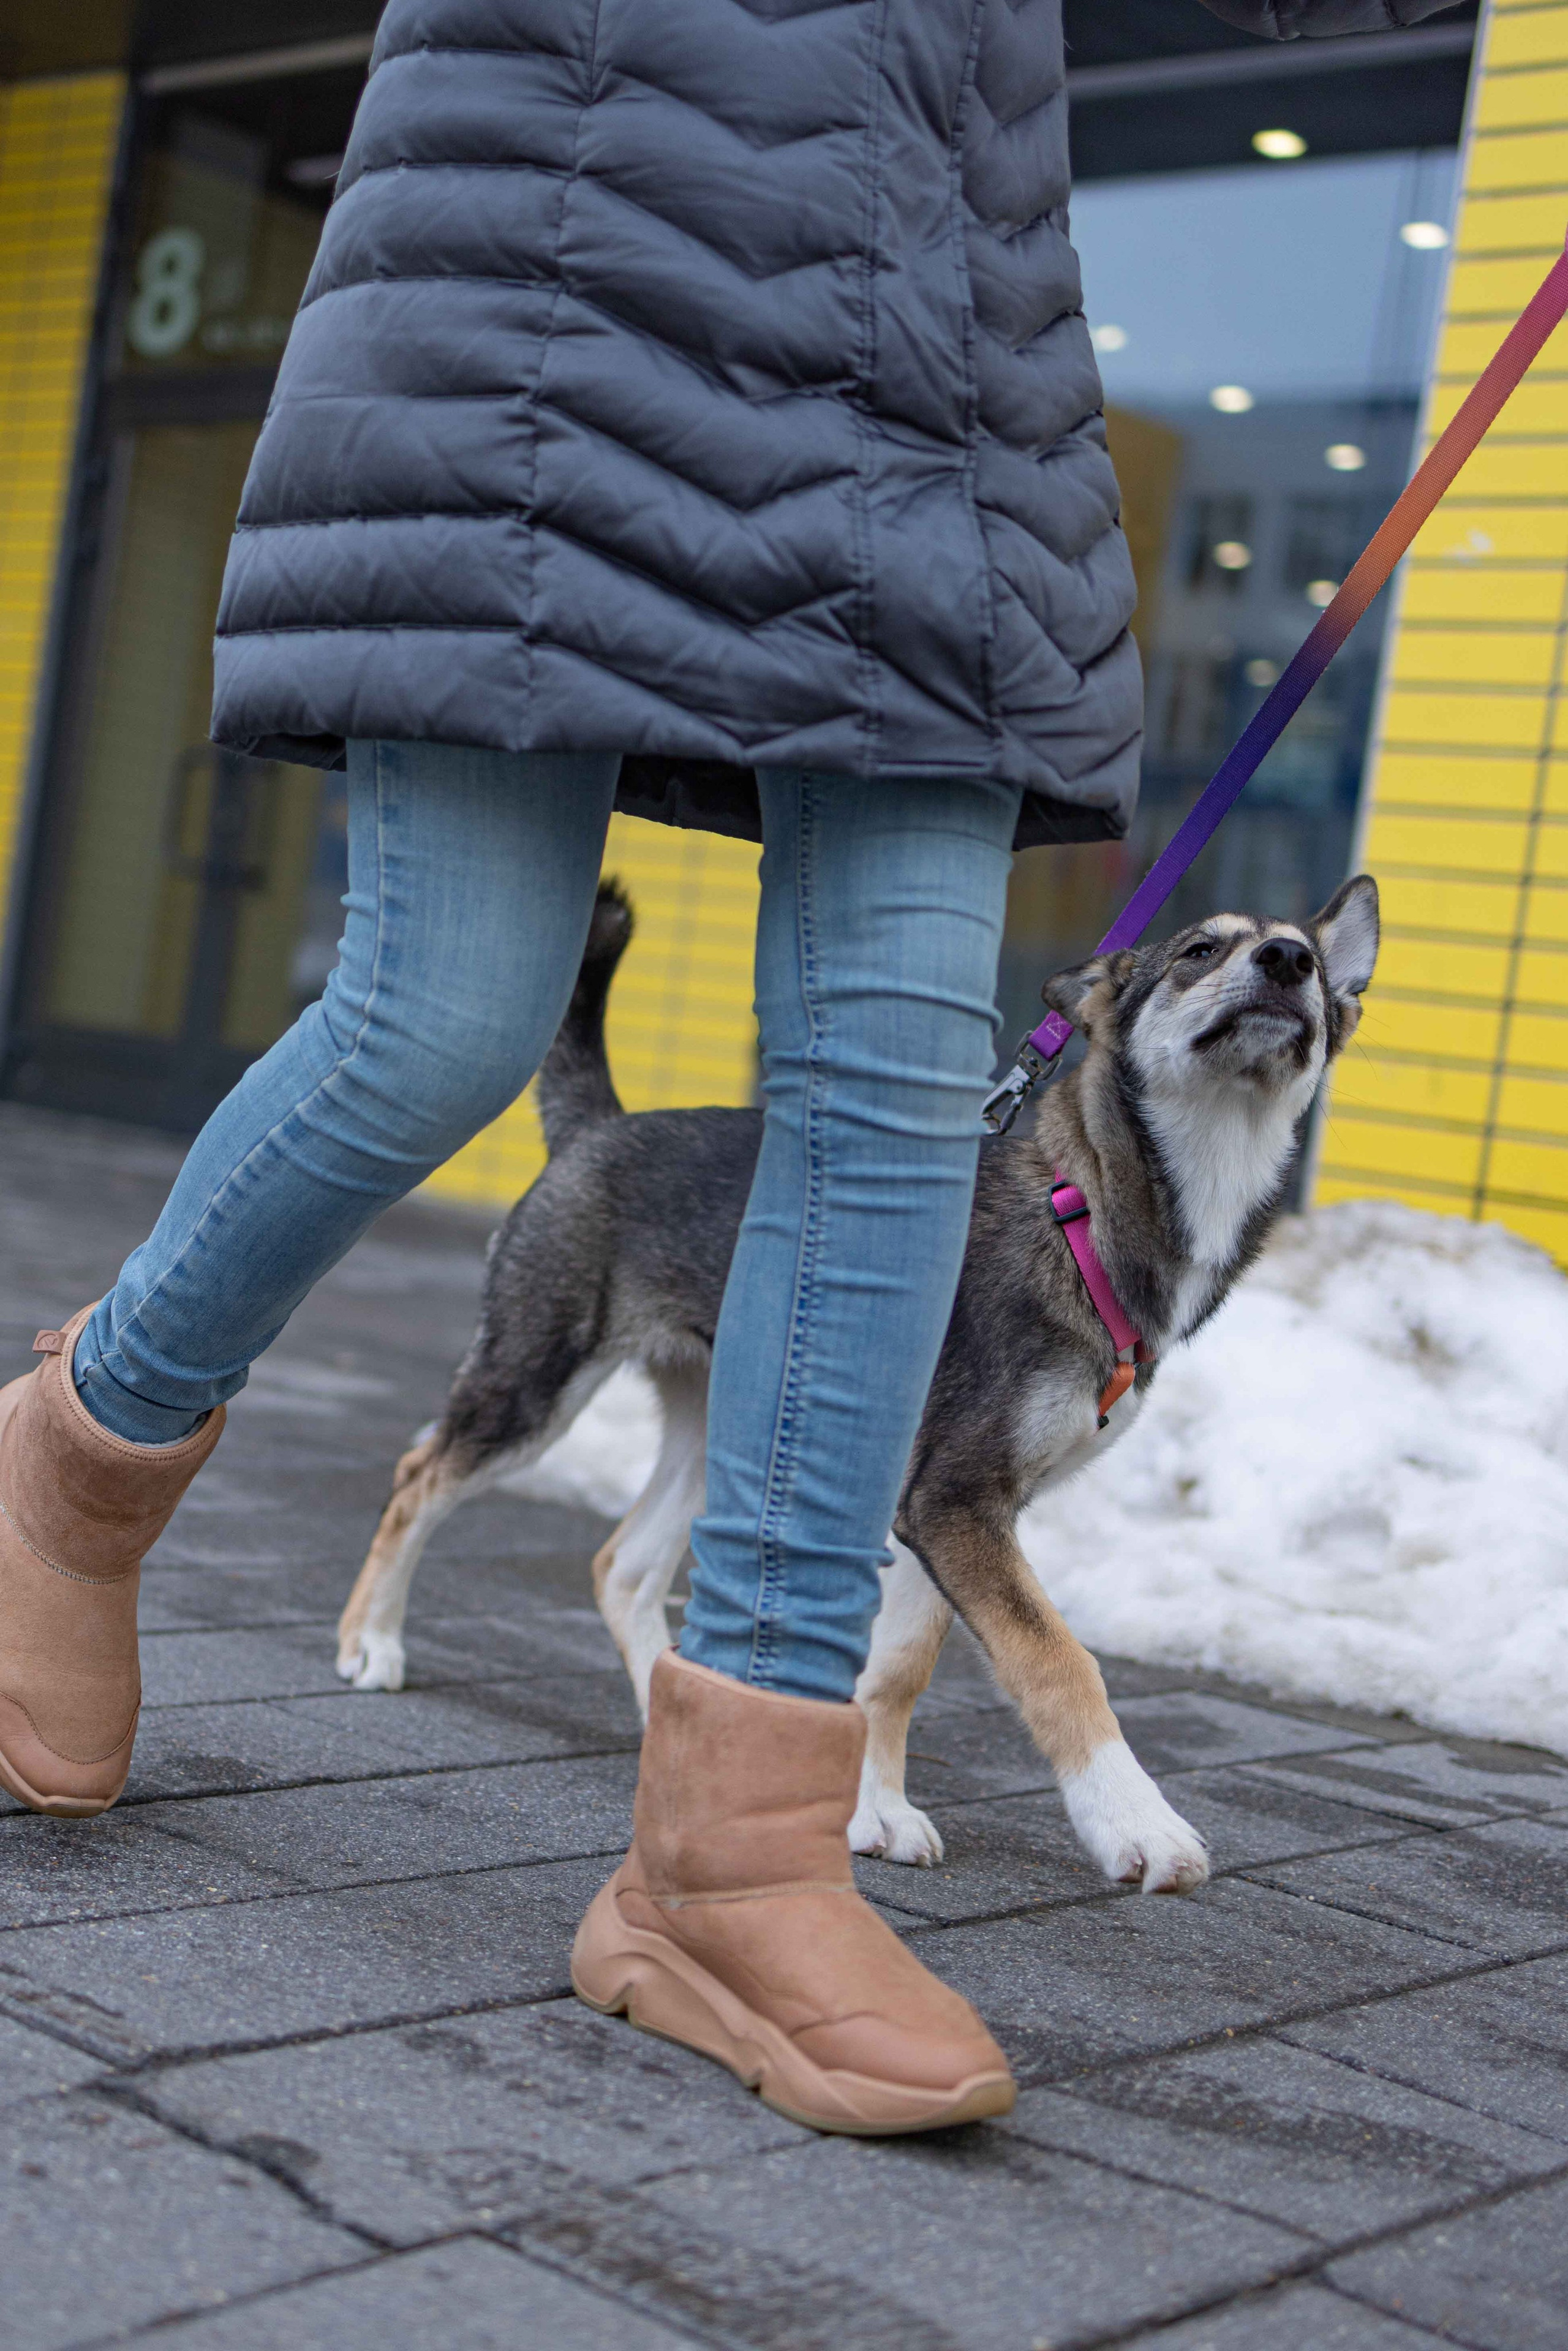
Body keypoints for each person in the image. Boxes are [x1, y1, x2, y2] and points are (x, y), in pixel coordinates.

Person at [0, 0, 1452, 2134]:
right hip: (553, 259)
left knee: (883, 1093)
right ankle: (78, 1457)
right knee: (441, 1020)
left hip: (934, 343)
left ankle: (735, 1846)